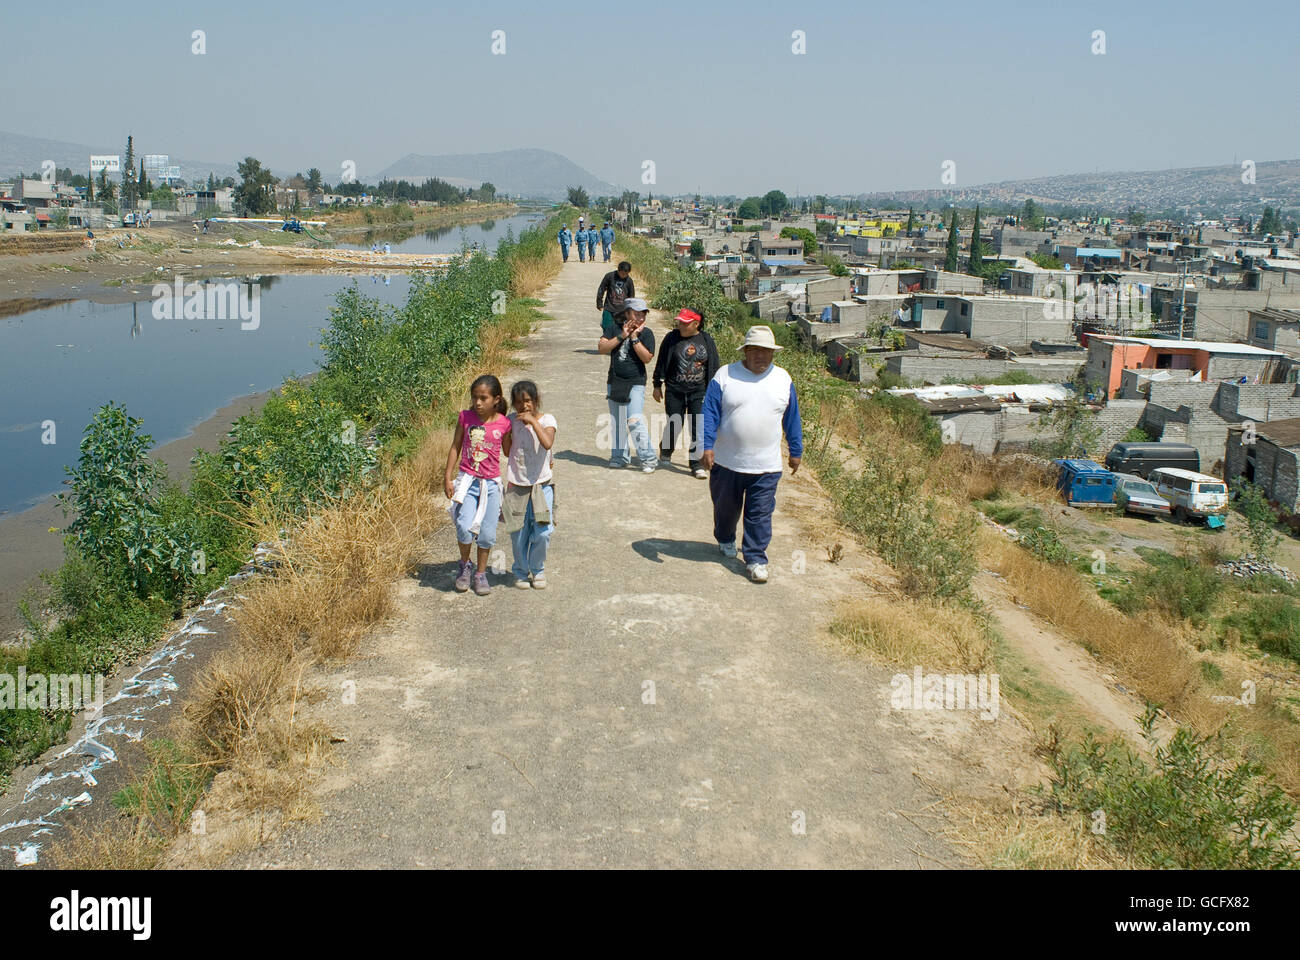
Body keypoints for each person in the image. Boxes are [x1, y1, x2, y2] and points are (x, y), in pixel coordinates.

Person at [700, 325, 803, 583]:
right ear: (745, 351)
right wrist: (707, 446)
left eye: (766, 351)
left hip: (766, 466)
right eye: (755, 350)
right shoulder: (725, 376)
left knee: (759, 514)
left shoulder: (783, 379)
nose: (761, 356)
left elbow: (792, 418)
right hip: (727, 462)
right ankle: (725, 538)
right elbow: (709, 413)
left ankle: (755, 558)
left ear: (773, 353)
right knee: (725, 509)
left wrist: (795, 450)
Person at [444, 375, 513, 595]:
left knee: (487, 533)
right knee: (464, 527)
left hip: (491, 485)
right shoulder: (465, 417)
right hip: (467, 481)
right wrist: (448, 477)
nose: (478, 403)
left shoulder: (504, 423)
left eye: (483, 398)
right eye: (475, 398)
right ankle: (465, 564)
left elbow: (509, 452)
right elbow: (455, 446)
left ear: (496, 399)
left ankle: (480, 574)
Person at [653, 307, 720, 478]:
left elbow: (713, 366)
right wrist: (657, 384)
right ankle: (666, 451)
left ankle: (696, 463)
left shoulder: (706, 340)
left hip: (698, 391)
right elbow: (661, 361)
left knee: (698, 427)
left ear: (696, 324)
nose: (680, 324)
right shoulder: (671, 338)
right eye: (680, 321)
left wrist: (714, 392)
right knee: (675, 423)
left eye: (685, 322)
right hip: (675, 390)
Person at [503, 380, 557, 589]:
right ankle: (520, 571)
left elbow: (547, 443)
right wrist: (508, 431)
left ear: (536, 400)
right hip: (516, 486)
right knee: (518, 533)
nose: (523, 406)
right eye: (518, 403)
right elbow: (507, 452)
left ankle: (538, 569)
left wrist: (533, 422)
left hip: (541, 486)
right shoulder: (511, 421)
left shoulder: (547, 420)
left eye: (527, 401)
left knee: (543, 532)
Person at [597, 297, 657, 472]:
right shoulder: (614, 329)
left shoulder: (647, 334)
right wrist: (622, 335)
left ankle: (649, 458)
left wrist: (634, 338)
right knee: (617, 421)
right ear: (627, 313)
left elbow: (646, 358)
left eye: (643, 314)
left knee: (634, 420)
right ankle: (619, 456)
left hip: (636, 382)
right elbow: (602, 348)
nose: (640, 318)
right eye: (636, 314)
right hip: (615, 380)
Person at [596, 261, 635, 329]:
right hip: (609, 308)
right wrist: (599, 303)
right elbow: (601, 289)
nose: (624, 275)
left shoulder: (629, 281)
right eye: (622, 273)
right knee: (606, 327)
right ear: (618, 270)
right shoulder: (610, 276)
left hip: (622, 311)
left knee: (620, 329)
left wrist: (630, 309)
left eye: (626, 273)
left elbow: (631, 295)